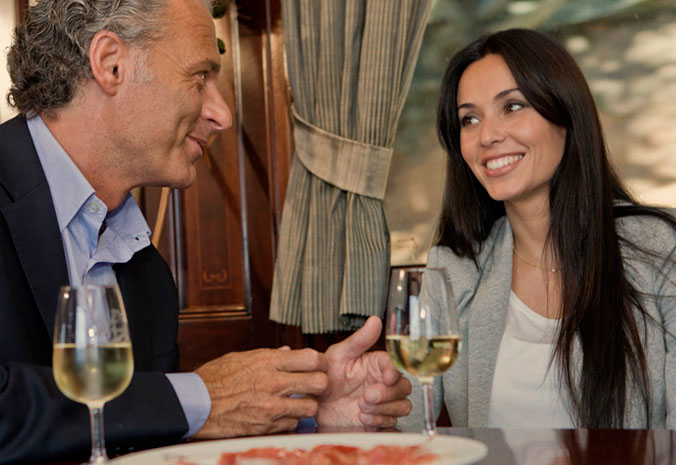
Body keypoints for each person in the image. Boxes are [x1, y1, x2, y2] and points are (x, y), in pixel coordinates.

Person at [0, 0, 410, 462]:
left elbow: (139, 436)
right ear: (111, 64)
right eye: (200, 77)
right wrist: (201, 396)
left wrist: (308, 410)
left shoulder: (146, 272)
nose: (222, 115)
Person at [399, 28, 676, 440]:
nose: (487, 135)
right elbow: (405, 427)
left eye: (512, 106)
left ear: (566, 114)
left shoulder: (665, 251)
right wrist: (358, 407)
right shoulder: (455, 266)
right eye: (469, 119)